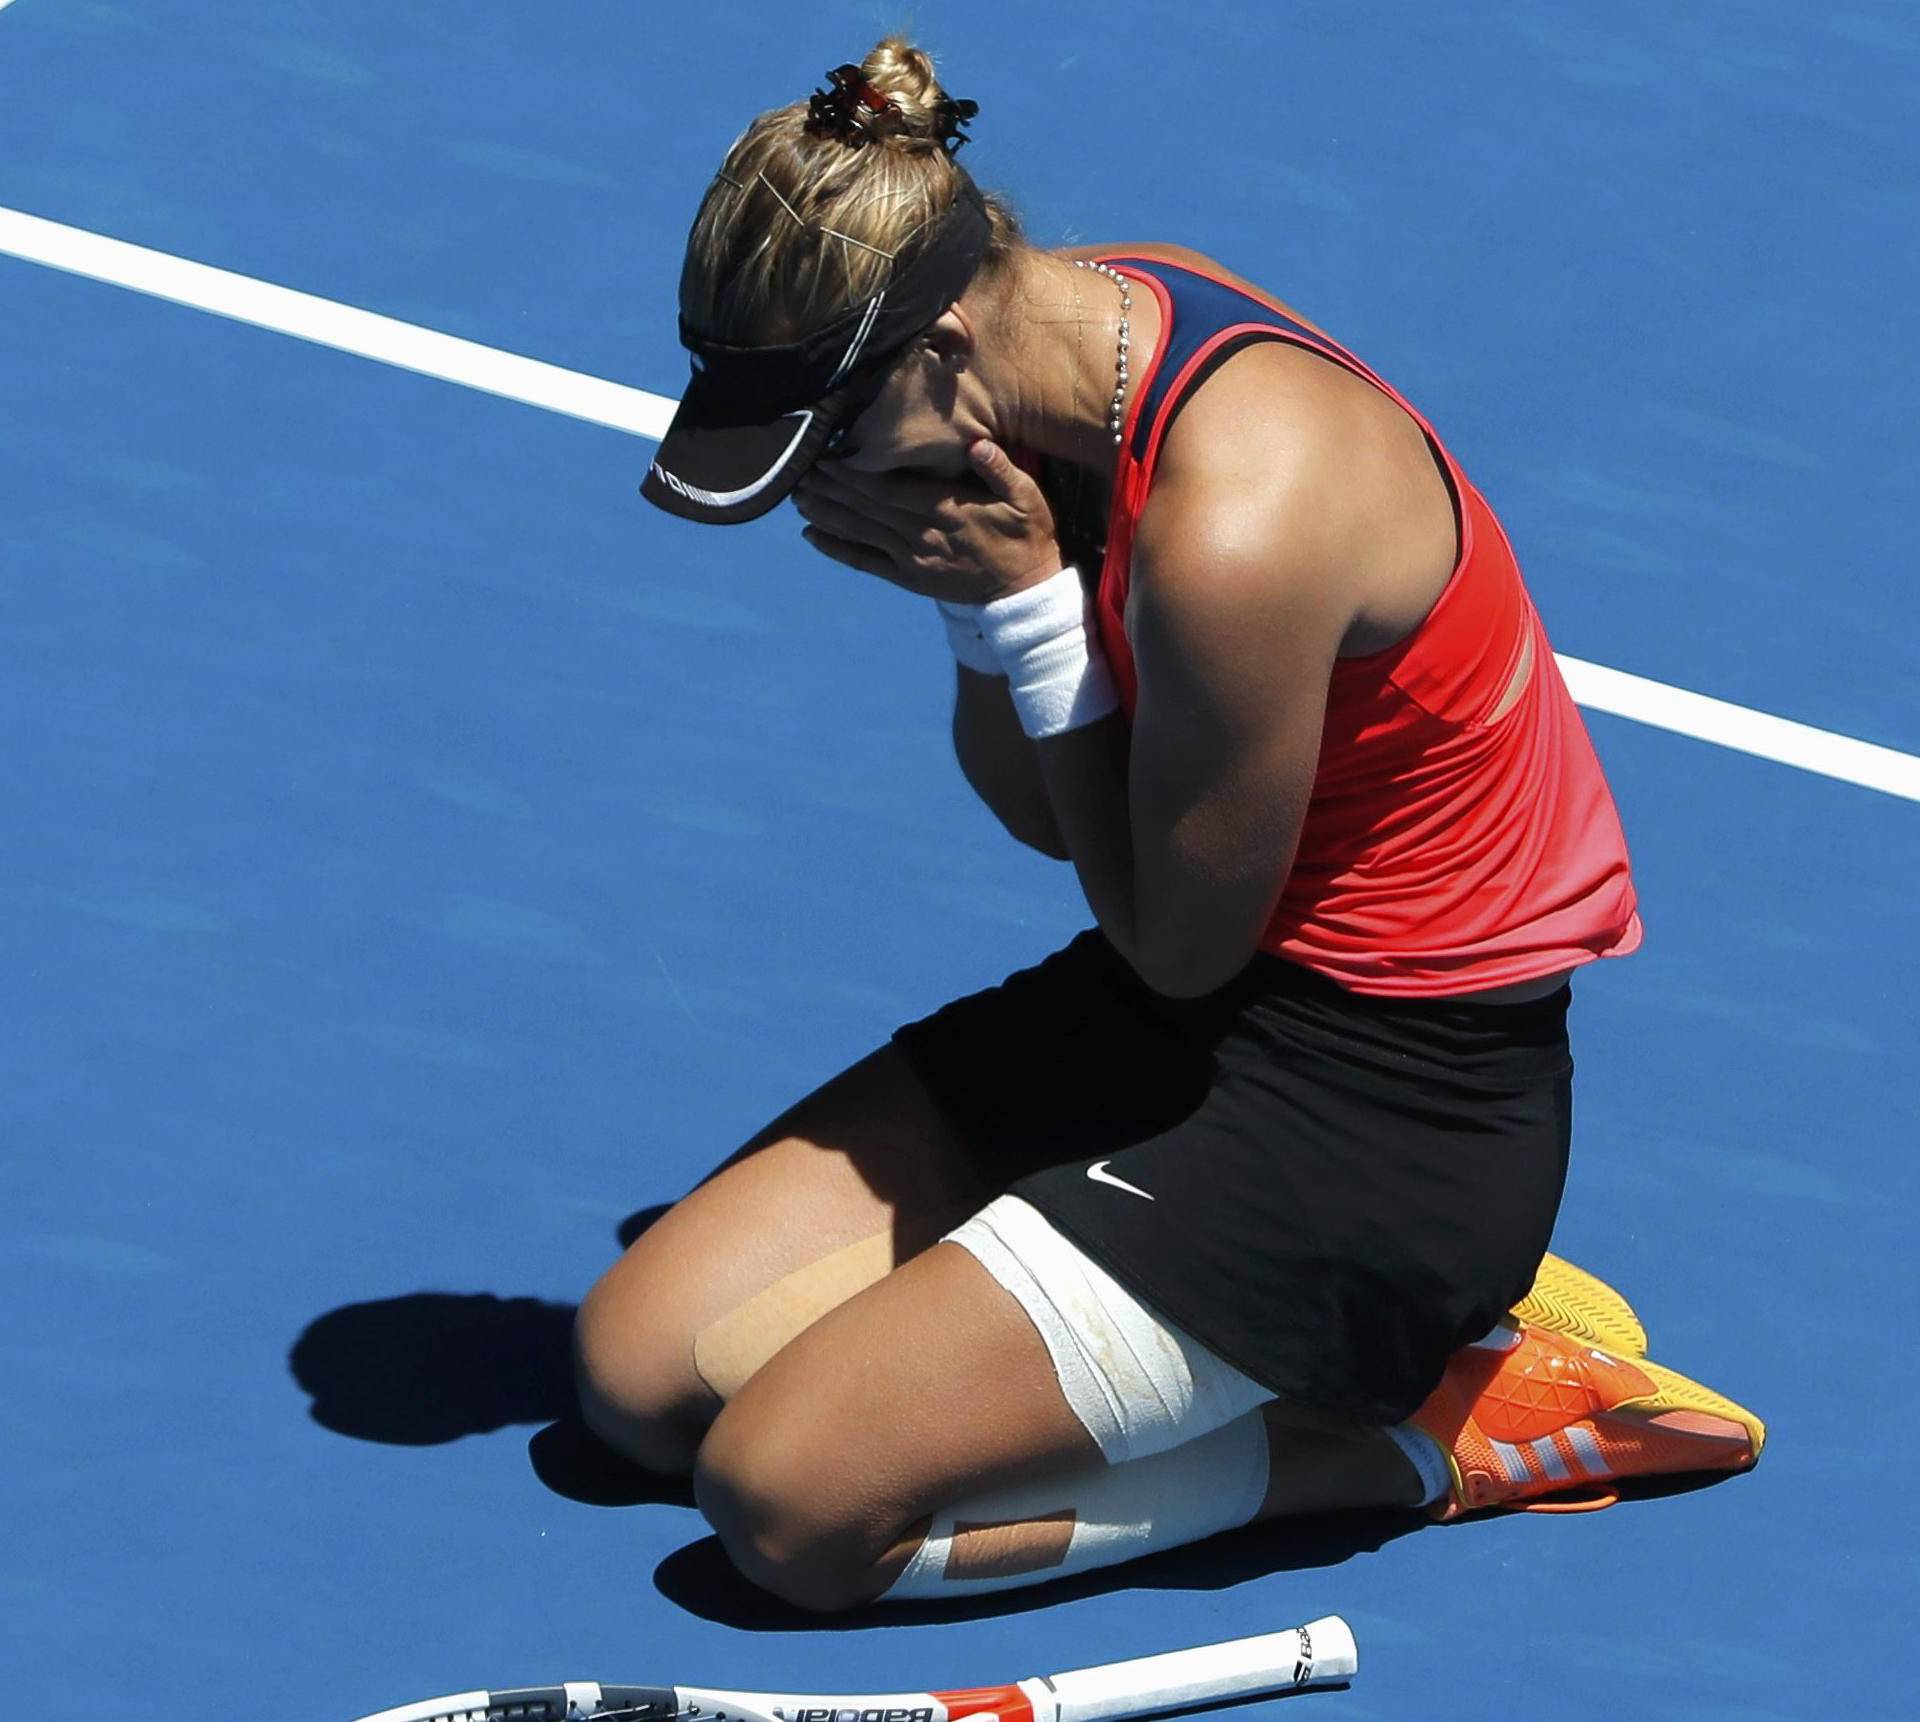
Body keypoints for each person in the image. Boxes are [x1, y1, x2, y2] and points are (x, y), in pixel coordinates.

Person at [585, 38, 1764, 1612]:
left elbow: (1179, 943)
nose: (811, 496)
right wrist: (987, 617)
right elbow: (1040, 818)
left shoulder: (1242, 523)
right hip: (1187, 1010)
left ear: (940, 349)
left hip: (1383, 1123)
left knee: (789, 1510)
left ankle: (1423, 1428)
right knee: (637, 1380)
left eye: (822, 440)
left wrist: (1028, 607)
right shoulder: (1067, 334)